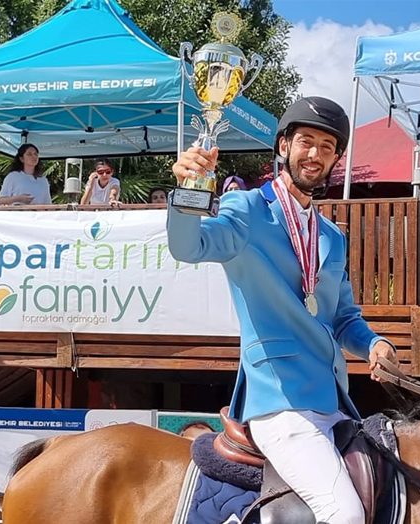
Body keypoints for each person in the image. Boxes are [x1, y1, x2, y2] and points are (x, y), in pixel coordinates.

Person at [167, 96, 398, 524]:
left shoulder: (331, 236)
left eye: (327, 147)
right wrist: (187, 190)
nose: (315, 154)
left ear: (335, 159)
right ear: (283, 146)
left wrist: (374, 344)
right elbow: (188, 246)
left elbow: (344, 318)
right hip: (279, 403)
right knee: (344, 515)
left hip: (335, 403)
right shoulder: (247, 209)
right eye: (306, 141)